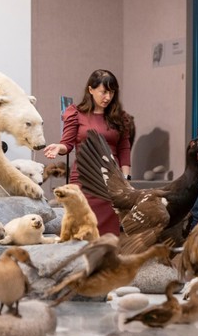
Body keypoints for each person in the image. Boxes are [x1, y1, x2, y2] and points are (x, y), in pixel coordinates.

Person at [44, 69, 132, 235]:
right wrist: (58, 147)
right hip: (84, 180)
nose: (108, 97)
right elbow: (67, 144)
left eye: (112, 92)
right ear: (91, 90)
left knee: (107, 234)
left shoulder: (120, 117)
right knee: (82, 229)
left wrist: (125, 179)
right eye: (104, 92)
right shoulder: (76, 113)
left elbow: (124, 149)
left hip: (111, 182)